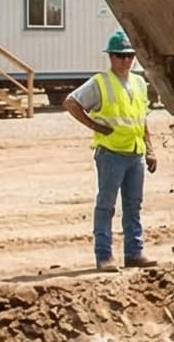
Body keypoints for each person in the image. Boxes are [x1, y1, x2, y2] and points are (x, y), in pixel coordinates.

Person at [65, 30, 160, 271]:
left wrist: (150, 149)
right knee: (106, 205)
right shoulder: (100, 82)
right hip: (111, 154)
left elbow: (142, 119)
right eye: (120, 55)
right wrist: (95, 126)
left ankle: (134, 253)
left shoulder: (140, 83)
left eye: (130, 55)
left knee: (133, 205)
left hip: (135, 153)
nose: (126, 60)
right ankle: (104, 256)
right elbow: (71, 103)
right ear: (111, 57)